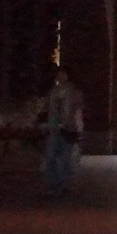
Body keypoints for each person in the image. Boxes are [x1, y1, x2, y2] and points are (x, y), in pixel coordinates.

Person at [42, 66, 83, 197]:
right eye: (59, 74)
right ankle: (55, 183)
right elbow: (47, 109)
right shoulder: (53, 91)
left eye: (63, 74)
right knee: (51, 157)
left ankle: (62, 185)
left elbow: (77, 111)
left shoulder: (74, 92)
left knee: (64, 158)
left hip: (68, 128)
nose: (60, 76)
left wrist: (78, 128)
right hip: (54, 128)